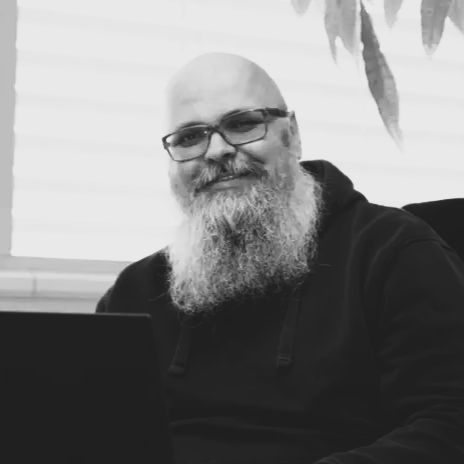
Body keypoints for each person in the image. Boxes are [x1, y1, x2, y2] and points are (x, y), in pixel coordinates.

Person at [96, 52, 464, 464]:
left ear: (292, 134)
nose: (216, 150)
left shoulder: (393, 251)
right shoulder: (134, 292)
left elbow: (449, 423)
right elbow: (93, 431)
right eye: (190, 137)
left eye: (242, 124)